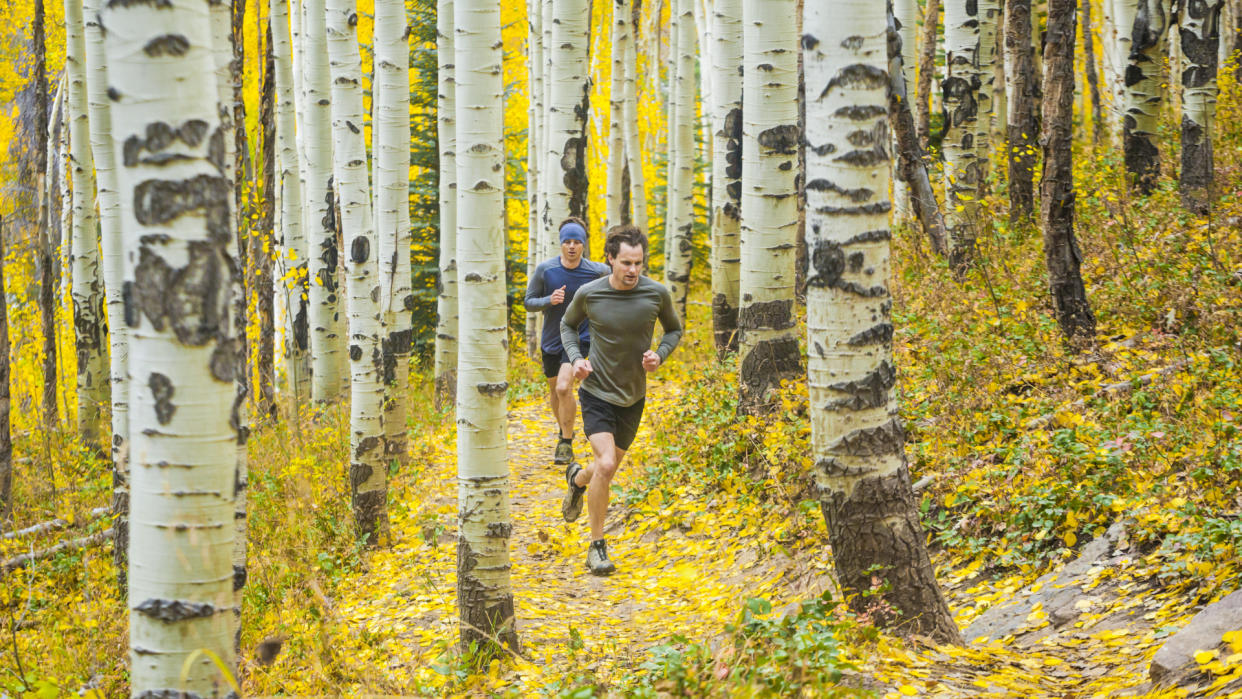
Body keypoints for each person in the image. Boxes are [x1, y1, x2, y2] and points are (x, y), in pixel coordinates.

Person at [558, 225, 682, 575]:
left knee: (603, 470)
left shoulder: (656, 293)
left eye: (638, 263)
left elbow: (674, 329)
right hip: (596, 391)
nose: (632, 270)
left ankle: (577, 479)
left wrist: (660, 355)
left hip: (633, 395)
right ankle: (596, 548)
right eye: (625, 262)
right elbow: (568, 326)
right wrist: (576, 357)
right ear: (610, 259)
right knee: (608, 464)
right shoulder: (590, 293)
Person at [524, 217, 610, 465]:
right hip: (551, 340)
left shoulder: (597, 271)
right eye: (567, 242)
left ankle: (566, 441)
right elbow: (529, 302)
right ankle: (564, 432)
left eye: (577, 242)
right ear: (561, 244)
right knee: (555, 390)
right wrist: (548, 300)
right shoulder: (546, 270)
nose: (572, 246)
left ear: (583, 245)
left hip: (579, 338)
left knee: (564, 387)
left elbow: (617, 287)